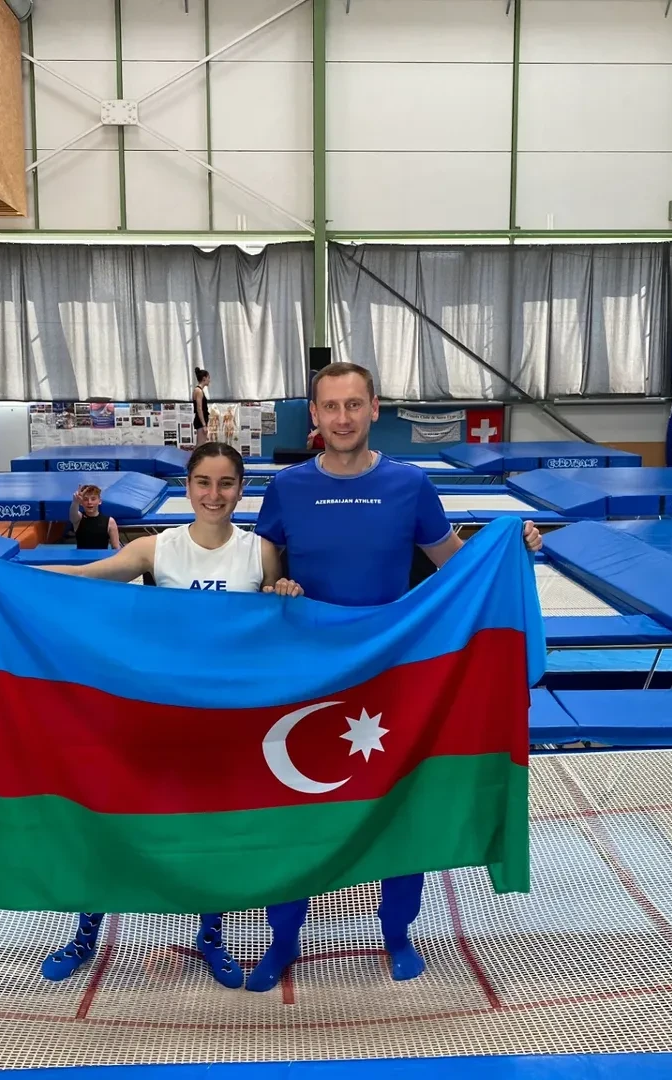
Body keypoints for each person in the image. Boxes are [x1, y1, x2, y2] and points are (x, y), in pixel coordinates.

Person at [0, 442, 303, 989]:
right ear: (188, 487)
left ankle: (210, 934)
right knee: (114, 815)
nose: (214, 495)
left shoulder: (260, 554)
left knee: (208, 829)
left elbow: (277, 627)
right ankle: (85, 933)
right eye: (203, 482)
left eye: (225, 483)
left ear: (242, 489)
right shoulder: (156, 549)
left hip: (221, 722)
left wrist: (284, 590)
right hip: (151, 712)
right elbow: (84, 577)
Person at [244, 361, 543, 994]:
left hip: (392, 673)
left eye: (354, 405)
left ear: (374, 408)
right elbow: (264, 576)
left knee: (403, 801)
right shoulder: (286, 488)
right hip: (310, 674)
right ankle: (282, 936)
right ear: (314, 415)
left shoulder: (410, 484)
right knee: (296, 807)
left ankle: (397, 930)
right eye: (331, 407)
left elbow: (455, 565)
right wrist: (278, 586)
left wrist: (509, 548)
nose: (343, 418)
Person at [70, 484, 120, 550]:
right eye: (86, 499)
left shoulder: (110, 521)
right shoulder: (79, 518)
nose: (89, 502)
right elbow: (72, 514)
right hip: (82, 556)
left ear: (100, 501)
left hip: (102, 556)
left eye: (93, 499)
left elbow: (116, 547)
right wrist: (75, 501)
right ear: (81, 502)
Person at [193, 367, 211, 446]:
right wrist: (203, 425)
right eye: (208, 378)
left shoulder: (199, 390)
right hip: (200, 421)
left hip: (202, 420)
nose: (209, 380)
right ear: (204, 378)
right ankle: (194, 455)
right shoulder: (198, 391)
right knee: (200, 445)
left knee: (201, 445)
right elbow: (199, 409)